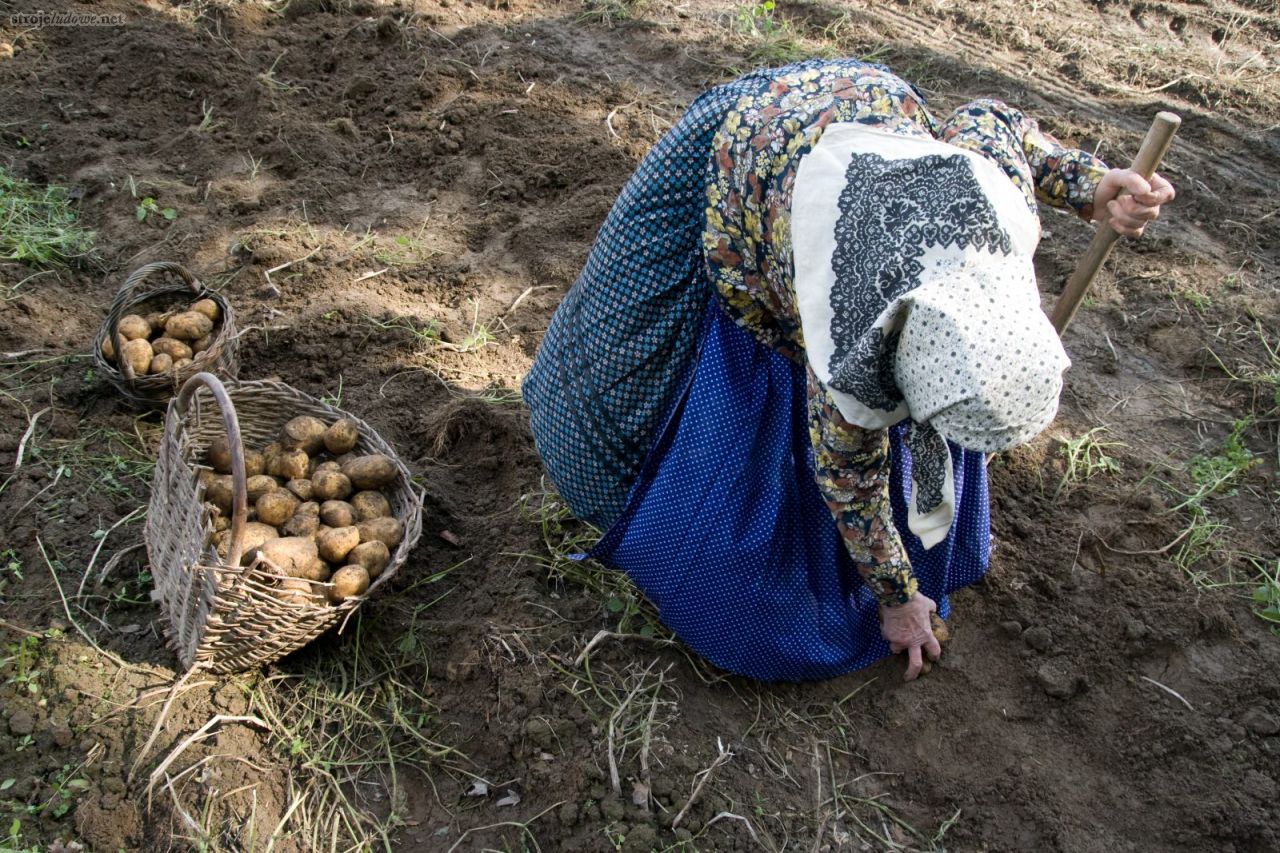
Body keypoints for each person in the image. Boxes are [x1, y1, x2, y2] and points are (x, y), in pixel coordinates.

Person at [523, 59, 1174, 682]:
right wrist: (896, 598)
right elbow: (849, 479)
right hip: (756, 155)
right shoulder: (850, 332)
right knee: (683, 433)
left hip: (867, 110)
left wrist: (1092, 186)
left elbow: (993, 117)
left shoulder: (996, 199)